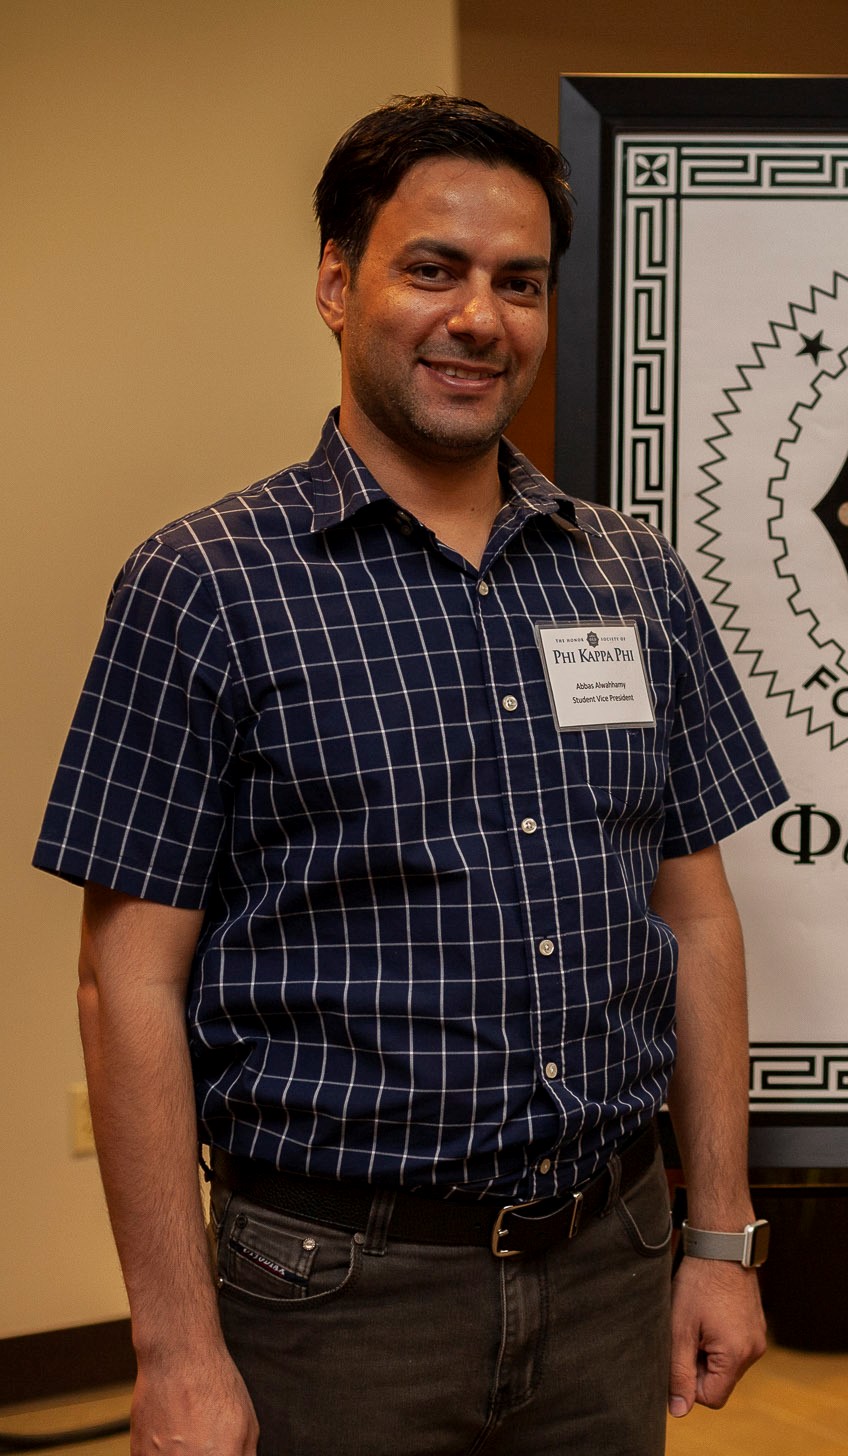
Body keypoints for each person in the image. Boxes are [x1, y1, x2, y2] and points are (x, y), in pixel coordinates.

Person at [35, 96, 788, 1456]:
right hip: (333, 1297)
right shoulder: (205, 586)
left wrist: (719, 1236)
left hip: (609, 1267)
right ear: (338, 282)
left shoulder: (634, 578)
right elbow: (124, 981)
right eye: (431, 268)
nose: (479, 318)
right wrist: (175, 1349)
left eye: (516, 282)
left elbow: (696, 919)